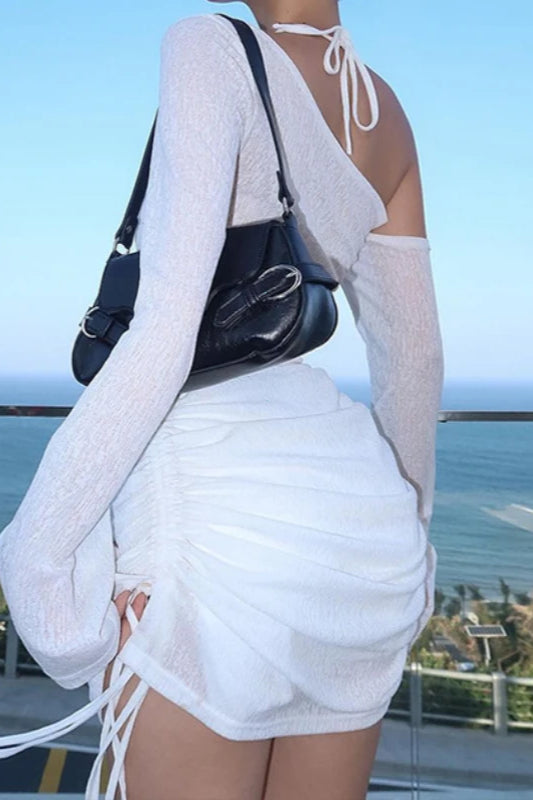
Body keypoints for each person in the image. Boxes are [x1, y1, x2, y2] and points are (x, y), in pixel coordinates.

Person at [0, 0, 444, 798]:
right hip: (362, 544)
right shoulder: (385, 113)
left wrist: (35, 564)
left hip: (212, 535)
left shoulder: (208, 46)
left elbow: (165, 331)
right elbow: (414, 362)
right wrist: (411, 552)